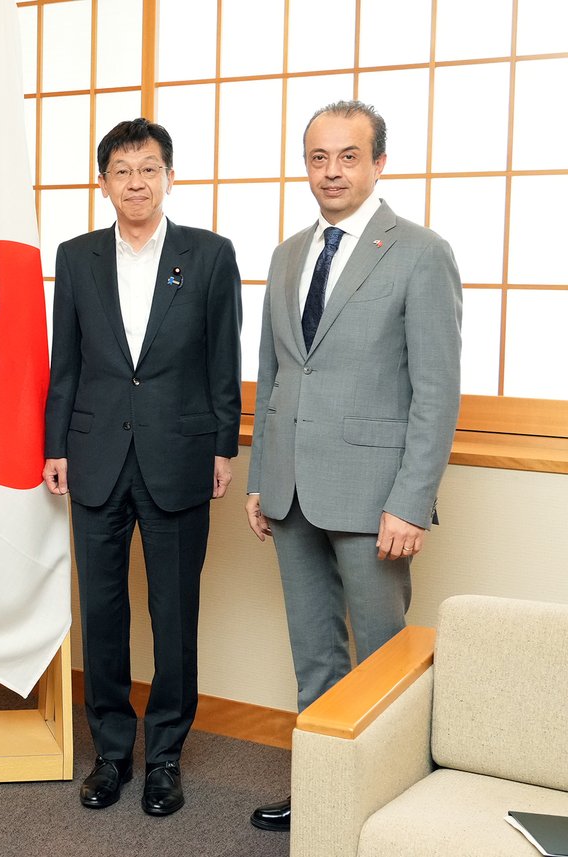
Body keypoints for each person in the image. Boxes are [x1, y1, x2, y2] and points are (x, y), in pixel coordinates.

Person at [245, 100, 462, 832]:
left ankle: (392, 809)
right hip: (292, 492)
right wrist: (259, 479)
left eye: (347, 156)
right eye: (318, 157)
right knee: (315, 657)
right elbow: (274, 378)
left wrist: (411, 498)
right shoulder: (286, 254)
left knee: (385, 661)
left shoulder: (421, 252)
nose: (331, 171)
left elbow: (435, 391)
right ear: (305, 165)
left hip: (376, 500)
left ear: (378, 163)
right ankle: (325, 796)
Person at [43, 118, 243, 816]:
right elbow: (62, 361)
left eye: (149, 168)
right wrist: (54, 446)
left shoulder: (210, 254)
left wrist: (224, 446)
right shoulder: (76, 256)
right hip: (95, 454)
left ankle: (164, 758)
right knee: (101, 613)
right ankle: (110, 753)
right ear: (103, 182)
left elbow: (224, 361)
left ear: (169, 175)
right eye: (122, 170)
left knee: (173, 613)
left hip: (180, 453)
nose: (136, 181)